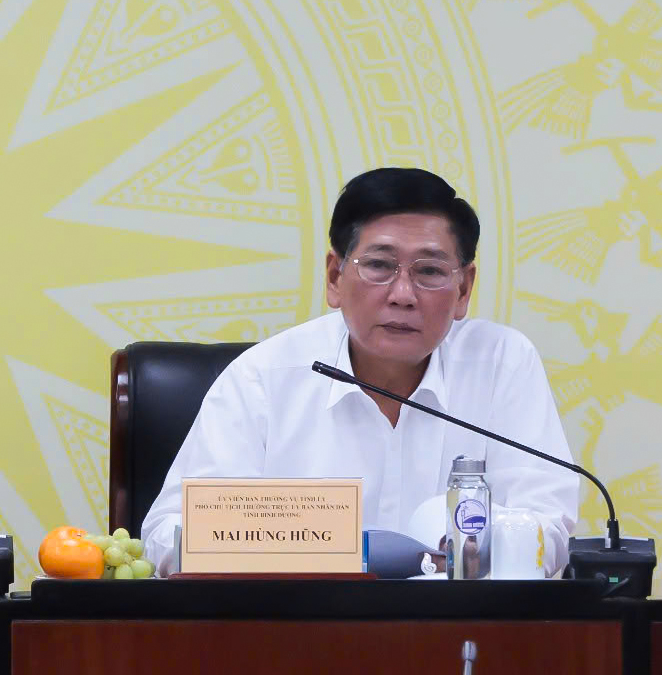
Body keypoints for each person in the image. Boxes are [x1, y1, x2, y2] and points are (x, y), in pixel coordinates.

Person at [140, 167, 579, 575]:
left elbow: (549, 525)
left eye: (429, 271)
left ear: (463, 289)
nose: (403, 295)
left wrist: (470, 542)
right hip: (298, 635)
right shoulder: (263, 379)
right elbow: (166, 535)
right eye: (379, 266)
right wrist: (287, 542)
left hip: (459, 633)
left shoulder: (502, 363)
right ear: (335, 277)